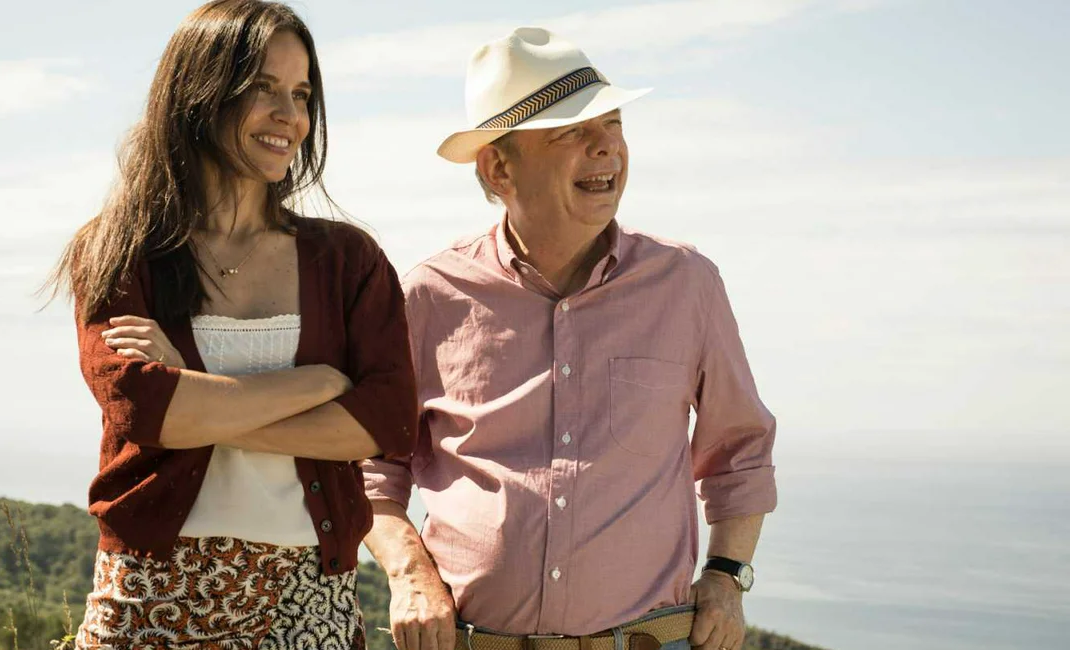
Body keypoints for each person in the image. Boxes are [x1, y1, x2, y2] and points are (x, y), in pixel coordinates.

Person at [362, 28, 777, 650]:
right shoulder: (429, 293)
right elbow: (370, 465)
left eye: (612, 126)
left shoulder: (686, 284)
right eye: (573, 132)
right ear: (499, 167)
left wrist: (725, 574)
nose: (606, 147)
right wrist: (407, 572)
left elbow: (739, 450)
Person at [46, 2, 417, 647]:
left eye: (301, 95)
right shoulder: (121, 252)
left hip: (308, 596)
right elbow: (150, 414)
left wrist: (197, 390)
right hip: (152, 591)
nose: (290, 117)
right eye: (262, 89)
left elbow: (385, 421)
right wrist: (319, 382)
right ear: (199, 95)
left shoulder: (347, 259)